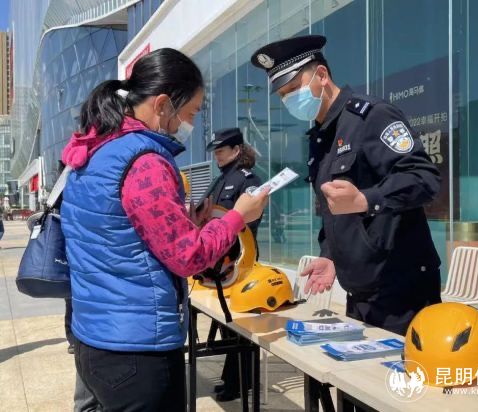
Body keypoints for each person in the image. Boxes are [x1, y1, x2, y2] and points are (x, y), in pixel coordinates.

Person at [60, 48, 269, 411]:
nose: (189, 124)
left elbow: (119, 234)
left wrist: (187, 222)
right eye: (190, 112)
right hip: (138, 349)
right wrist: (237, 217)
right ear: (162, 105)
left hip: (94, 337)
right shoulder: (145, 162)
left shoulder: (95, 150)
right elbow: (189, 257)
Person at [251, 35, 441, 336]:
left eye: (294, 88)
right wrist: (329, 255)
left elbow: (424, 178)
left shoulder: (372, 116)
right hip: (360, 289)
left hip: (401, 287)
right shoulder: (319, 138)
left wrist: (367, 199)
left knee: (402, 368)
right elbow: (334, 211)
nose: (289, 100)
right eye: (283, 95)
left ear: (322, 75)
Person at [202, 127, 262, 402]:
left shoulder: (248, 180)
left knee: (239, 324)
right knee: (228, 324)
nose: (217, 156)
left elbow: (250, 221)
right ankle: (232, 378)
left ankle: (241, 382)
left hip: (238, 262)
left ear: (237, 150)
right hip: (218, 262)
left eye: (221, 151)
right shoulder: (219, 180)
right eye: (215, 152)